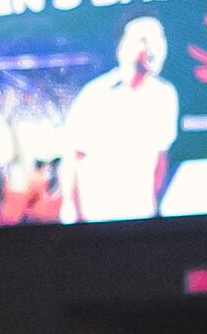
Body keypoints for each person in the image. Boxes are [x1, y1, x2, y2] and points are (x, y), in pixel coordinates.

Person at [59, 15, 181, 222]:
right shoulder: (95, 94)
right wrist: (69, 207)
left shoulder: (165, 94)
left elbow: (161, 156)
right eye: (143, 39)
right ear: (121, 48)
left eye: (158, 38)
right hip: (97, 218)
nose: (152, 47)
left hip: (143, 216)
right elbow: (71, 157)